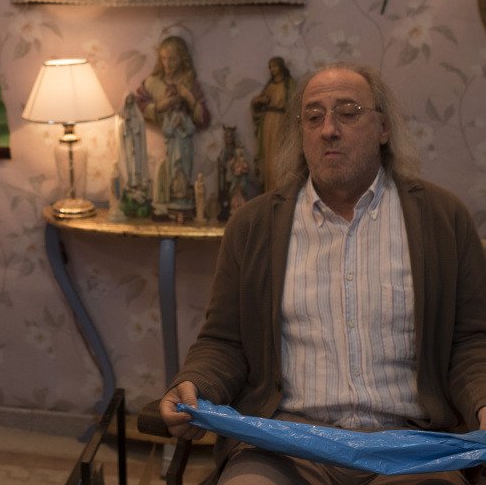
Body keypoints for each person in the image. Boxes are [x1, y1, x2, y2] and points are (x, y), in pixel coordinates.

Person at [158, 62, 486, 484]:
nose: (329, 129)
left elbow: (469, 342)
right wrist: (195, 383)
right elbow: (225, 341)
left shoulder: (443, 218)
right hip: (284, 445)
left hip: (410, 448)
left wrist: (482, 400)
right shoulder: (253, 225)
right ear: (301, 135)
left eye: (348, 113)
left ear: (383, 127)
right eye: (313, 117)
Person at [133, 36, 210, 211]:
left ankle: (181, 195)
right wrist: (161, 106)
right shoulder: (153, 83)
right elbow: (139, 106)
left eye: (172, 59)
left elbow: (203, 118)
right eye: (164, 59)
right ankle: (174, 194)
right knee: (170, 168)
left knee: (183, 169)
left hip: (184, 139)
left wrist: (189, 98)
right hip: (170, 139)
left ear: (182, 59)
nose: (167, 64)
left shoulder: (189, 83)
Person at [250, 56, 294, 193]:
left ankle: (280, 191)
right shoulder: (269, 86)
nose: (272, 69)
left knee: (280, 156)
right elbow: (258, 105)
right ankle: (268, 191)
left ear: (281, 66)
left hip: (281, 122)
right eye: (270, 67)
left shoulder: (289, 85)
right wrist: (257, 101)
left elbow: (295, 104)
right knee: (267, 156)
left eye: (274, 66)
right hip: (267, 123)